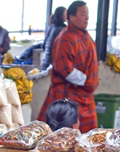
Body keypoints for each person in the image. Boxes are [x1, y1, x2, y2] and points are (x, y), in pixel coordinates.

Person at [37, 1, 99, 133]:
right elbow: (64, 68)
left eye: (87, 14)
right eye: (83, 14)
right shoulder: (66, 37)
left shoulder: (84, 35)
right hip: (68, 96)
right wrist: (87, 81)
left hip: (85, 96)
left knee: (87, 142)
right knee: (62, 138)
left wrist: (90, 84)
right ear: (71, 17)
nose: (86, 17)